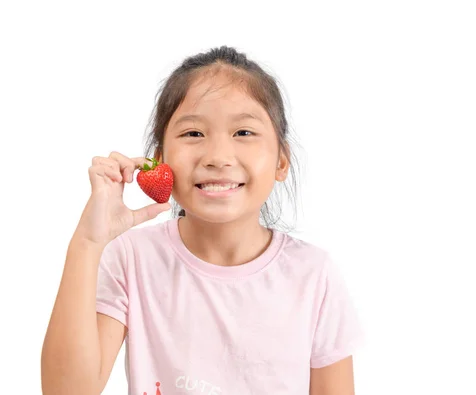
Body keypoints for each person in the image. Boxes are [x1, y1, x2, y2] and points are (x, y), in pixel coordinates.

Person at [41, 45, 364, 395]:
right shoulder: (131, 258)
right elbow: (66, 390)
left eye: (243, 132)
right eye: (194, 133)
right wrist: (88, 244)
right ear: (159, 160)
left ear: (281, 162)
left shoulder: (313, 274)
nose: (218, 157)